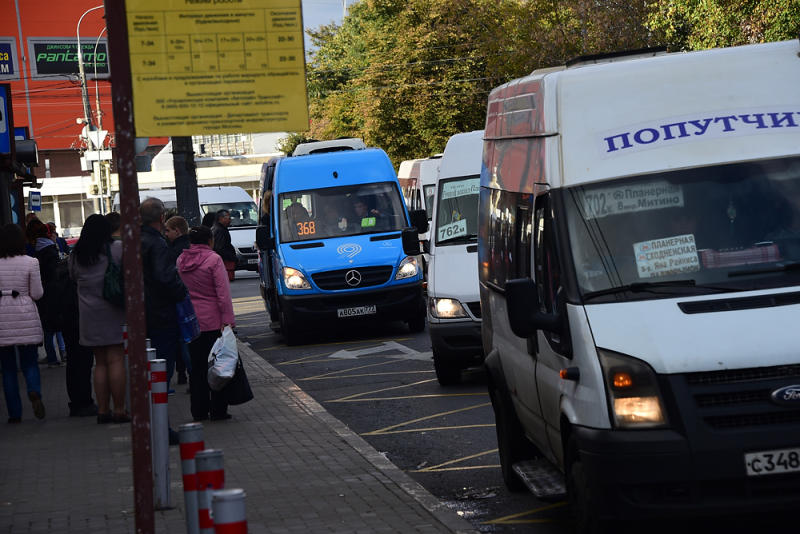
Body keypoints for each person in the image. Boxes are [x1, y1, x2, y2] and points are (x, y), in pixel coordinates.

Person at [69, 214, 127, 424]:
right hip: (113, 310)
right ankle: (119, 409)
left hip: (88, 314)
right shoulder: (117, 249)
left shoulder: (77, 253)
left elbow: (73, 277)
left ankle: (102, 410)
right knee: (116, 359)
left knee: (99, 362)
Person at [177, 225, 234, 421]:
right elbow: (223, 293)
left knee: (197, 368)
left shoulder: (181, 260)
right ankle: (218, 410)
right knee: (217, 367)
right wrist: (228, 321)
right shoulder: (214, 259)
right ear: (209, 240)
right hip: (213, 321)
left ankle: (199, 411)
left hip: (191, 322)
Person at [140, 198, 188, 391]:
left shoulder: (135, 239)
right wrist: (181, 293)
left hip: (140, 310)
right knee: (163, 358)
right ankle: (159, 403)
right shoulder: (157, 243)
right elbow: (164, 276)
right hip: (161, 311)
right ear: (161, 217)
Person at [0, 223, 46, 423]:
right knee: (30, 363)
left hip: (2, 315)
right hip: (25, 313)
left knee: (8, 369)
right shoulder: (31, 262)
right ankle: (34, 390)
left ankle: (14, 414)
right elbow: (37, 293)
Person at [27, 219, 64, 368]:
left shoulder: (33, 250)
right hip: (56, 291)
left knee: (47, 329)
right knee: (59, 326)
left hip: (43, 293)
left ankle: (52, 358)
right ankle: (63, 353)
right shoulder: (52, 248)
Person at [165, 215, 192, 386]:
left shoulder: (174, 251)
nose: (166, 234)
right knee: (186, 339)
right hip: (190, 300)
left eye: (168, 230)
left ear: (177, 230)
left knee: (181, 340)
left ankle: (182, 373)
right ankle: (190, 375)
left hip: (179, 299)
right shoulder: (190, 245)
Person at [212, 209, 237, 281]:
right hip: (224, 262)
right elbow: (220, 248)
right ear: (221, 218)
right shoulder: (220, 230)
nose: (230, 220)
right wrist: (232, 257)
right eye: (228, 218)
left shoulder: (218, 228)